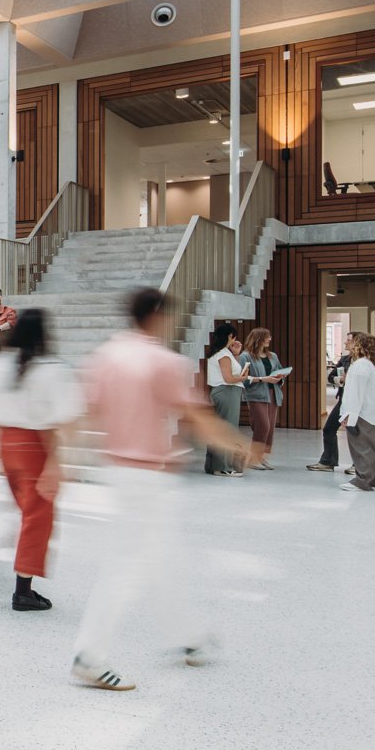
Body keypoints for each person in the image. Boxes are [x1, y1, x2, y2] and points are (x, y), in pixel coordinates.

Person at [70, 287, 251, 691]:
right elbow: (196, 417)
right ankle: (89, 655)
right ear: (156, 316)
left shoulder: (106, 357)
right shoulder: (162, 362)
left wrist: (58, 462)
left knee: (162, 557)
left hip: (120, 470)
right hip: (147, 476)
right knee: (126, 565)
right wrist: (240, 446)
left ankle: (190, 635)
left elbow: (84, 413)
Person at [0, 309, 84, 611]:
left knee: (27, 513)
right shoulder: (51, 368)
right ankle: (22, 591)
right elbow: (65, 419)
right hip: (34, 447)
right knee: (37, 518)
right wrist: (58, 462)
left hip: (5, 443)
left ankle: (20, 573)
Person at [339, 333, 375, 493]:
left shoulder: (360, 365)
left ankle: (362, 480)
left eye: (354, 343)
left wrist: (349, 414)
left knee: (362, 447)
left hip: (361, 412)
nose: (350, 345)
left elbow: (355, 393)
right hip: (373, 411)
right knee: (373, 447)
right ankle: (374, 478)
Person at [238, 327, 288, 469]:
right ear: (258, 338)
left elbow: (278, 370)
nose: (270, 339)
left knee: (270, 427)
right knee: (262, 426)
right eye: (267, 336)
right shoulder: (245, 356)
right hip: (256, 395)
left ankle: (261, 457)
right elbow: (243, 379)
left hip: (273, 394)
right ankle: (253, 459)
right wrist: (263, 379)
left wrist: (280, 377)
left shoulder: (273, 356)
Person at [204, 324, 246, 477]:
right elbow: (229, 378)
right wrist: (244, 377)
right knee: (228, 429)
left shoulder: (219, 353)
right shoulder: (223, 355)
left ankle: (212, 464)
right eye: (233, 336)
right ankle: (223, 467)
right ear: (229, 336)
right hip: (228, 392)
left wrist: (236, 354)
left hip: (221, 392)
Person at [310, 340, 354, 472]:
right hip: (343, 400)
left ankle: (359, 465)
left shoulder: (365, 362)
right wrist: (339, 380)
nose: (345, 342)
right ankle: (328, 461)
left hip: (357, 402)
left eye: (349, 340)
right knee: (329, 429)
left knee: (356, 433)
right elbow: (331, 376)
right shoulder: (345, 359)